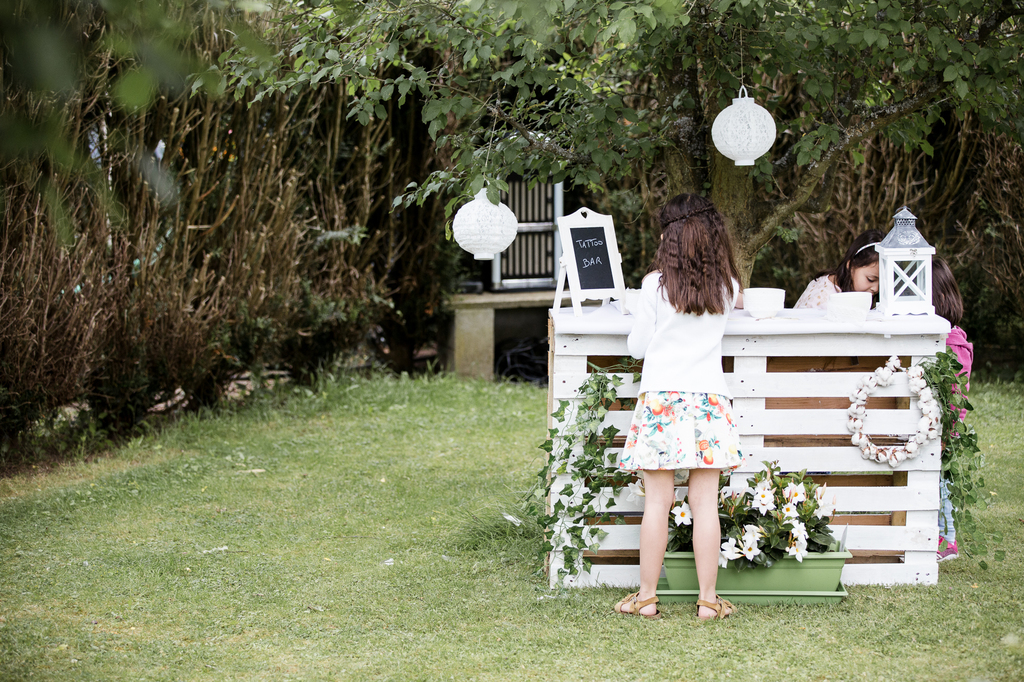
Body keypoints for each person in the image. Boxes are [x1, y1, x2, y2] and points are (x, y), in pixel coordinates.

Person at [613, 194, 746, 621]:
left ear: (668, 237)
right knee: (705, 503)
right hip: (708, 400)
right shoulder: (728, 287)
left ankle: (647, 598)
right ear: (714, 235)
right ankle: (709, 600)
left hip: (662, 402)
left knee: (658, 502)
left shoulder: (655, 285)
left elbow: (637, 346)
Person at [932, 257, 973, 562]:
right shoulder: (940, 339)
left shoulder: (953, 343)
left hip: (946, 426)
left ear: (942, 299)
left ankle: (947, 540)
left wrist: (947, 429)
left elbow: (955, 393)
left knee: (942, 482)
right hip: (934, 423)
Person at [793, 229, 884, 309]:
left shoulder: (845, 290)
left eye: (883, 282)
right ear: (851, 265)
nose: (876, 289)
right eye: (871, 280)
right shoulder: (823, 302)